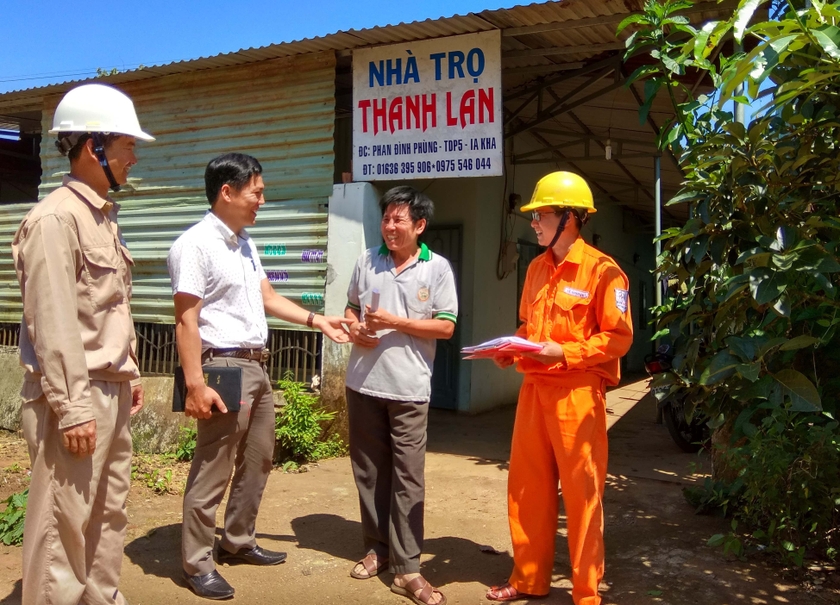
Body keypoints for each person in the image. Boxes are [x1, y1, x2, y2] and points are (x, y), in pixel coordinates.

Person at [167, 152, 350, 600]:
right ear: (227, 192)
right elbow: (186, 320)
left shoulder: (243, 242)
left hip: (256, 364)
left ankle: (237, 540)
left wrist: (317, 320)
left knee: (258, 459)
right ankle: (196, 563)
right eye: (257, 191)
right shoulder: (194, 244)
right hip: (222, 366)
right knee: (214, 467)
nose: (262, 201)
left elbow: (266, 295)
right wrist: (195, 383)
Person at [11, 83, 154, 605]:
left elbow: (109, 307)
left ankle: (100, 597)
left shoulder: (101, 216)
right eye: (127, 146)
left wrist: (131, 370)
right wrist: (72, 408)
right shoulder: (55, 218)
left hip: (109, 386)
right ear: (94, 146)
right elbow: (51, 323)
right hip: (76, 393)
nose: (133, 157)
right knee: (62, 523)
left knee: (107, 511)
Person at [486, 172, 633, 605]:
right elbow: (531, 329)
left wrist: (564, 353)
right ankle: (529, 579)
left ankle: (586, 593)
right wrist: (512, 348)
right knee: (527, 487)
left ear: (570, 218)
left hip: (578, 394)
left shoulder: (605, 272)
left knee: (582, 494)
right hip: (534, 390)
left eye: (541, 214)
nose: (533, 223)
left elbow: (618, 338)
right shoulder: (535, 268)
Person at [344, 186, 458, 605]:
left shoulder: (437, 269)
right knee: (370, 473)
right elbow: (350, 307)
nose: (390, 227)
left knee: (408, 478)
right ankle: (377, 548)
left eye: (399, 220)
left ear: (420, 226)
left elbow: (445, 326)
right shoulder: (366, 261)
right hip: (362, 383)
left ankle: (408, 568)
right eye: (386, 218)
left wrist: (397, 321)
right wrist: (354, 326)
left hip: (409, 389)